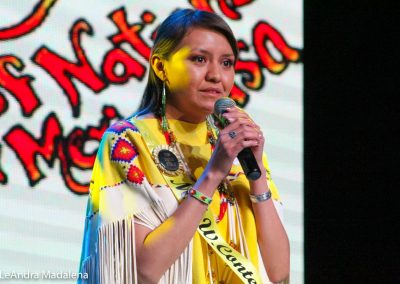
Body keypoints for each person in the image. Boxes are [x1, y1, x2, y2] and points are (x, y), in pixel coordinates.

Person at [78, 8, 289, 284]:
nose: (216, 75)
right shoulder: (129, 141)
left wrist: (257, 173)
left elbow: (279, 272)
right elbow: (142, 272)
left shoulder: (238, 143)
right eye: (199, 59)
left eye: (227, 63)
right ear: (160, 66)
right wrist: (212, 174)